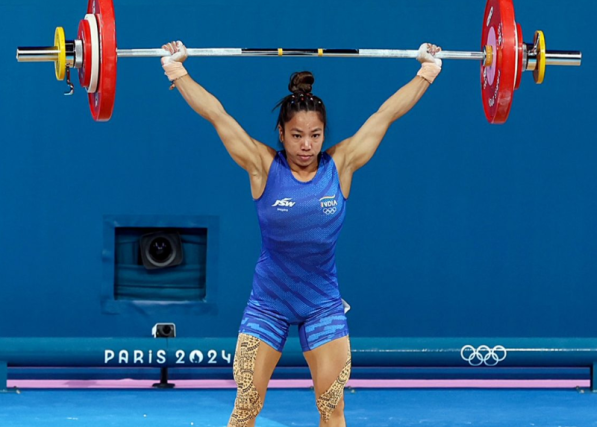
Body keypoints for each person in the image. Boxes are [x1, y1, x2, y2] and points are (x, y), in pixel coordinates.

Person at [160, 40, 442, 427]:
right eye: (296, 136)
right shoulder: (262, 165)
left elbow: (386, 114)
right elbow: (217, 114)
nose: (307, 145)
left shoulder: (341, 164)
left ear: (324, 133)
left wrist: (427, 71)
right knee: (246, 405)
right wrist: (177, 70)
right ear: (281, 133)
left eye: (315, 135)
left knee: (332, 407)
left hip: (322, 303)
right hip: (269, 303)